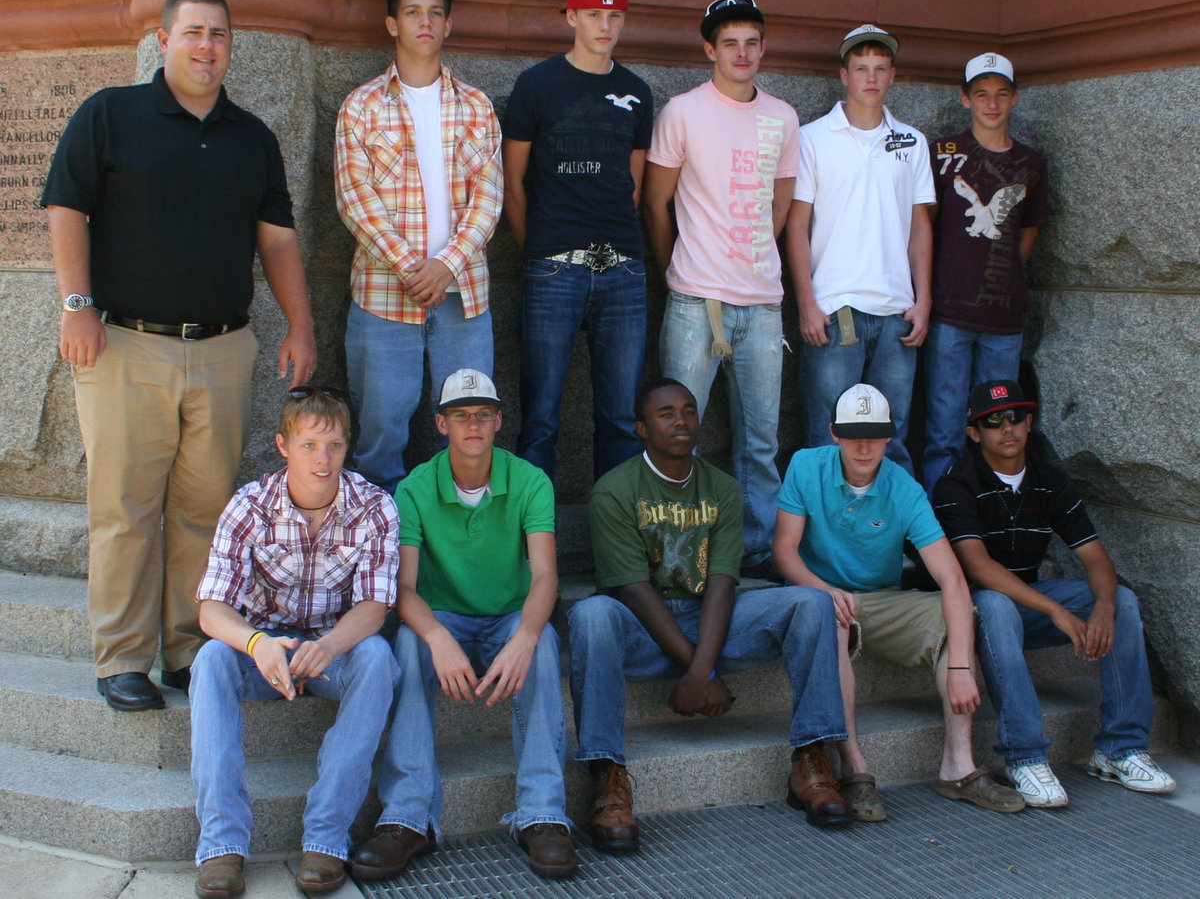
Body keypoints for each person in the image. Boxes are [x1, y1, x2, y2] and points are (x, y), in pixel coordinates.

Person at [41, 0, 318, 712]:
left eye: (219, 35)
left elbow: (279, 239)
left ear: (232, 45)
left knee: (205, 510)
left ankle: (189, 648)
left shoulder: (252, 137)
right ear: (162, 41)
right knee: (125, 508)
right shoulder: (111, 114)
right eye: (193, 32)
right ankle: (123, 656)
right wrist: (77, 304)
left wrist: (302, 325)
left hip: (223, 350)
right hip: (125, 344)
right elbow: (65, 207)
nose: (206, 46)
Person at [569, 378, 850, 853]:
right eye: (665, 413)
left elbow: (722, 581)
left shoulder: (720, 487)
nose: (680, 420)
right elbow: (633, 591)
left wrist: (703, 670)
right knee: (591, 615)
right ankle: (608, 780)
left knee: (812, 602)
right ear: (640, 428)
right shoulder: (613, 490)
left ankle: (811, 760)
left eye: (689, 410)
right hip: (643, 632)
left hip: (710, 623)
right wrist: (701, 673)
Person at [353, 369, 576, 881]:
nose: (472, 424)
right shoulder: (414, 488)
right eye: (460, 415)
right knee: (407, 645)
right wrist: (436, 636)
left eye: (482, 415)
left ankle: (542, 813)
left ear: (499, 421)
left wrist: (523, 637)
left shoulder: (529, 480)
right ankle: (408, 817)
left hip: (508, 615)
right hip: (444, 615)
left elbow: (546, 576)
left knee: (542, 643)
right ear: (441, 424)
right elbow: (402, 589)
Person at [772, 383, 1025, 820]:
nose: (865, 445)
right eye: (853, 434)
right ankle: (854, 770)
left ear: (891, 435)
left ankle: (958, 766)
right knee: (823, 614)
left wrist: (963, 665)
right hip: (819, 594)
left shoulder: (904, 488)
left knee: (957, 619)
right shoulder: (805, 465)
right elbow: (784, 550)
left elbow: (952, 579)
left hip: (882, 599)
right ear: (833, 432)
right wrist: (823, 589)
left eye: (875, 433)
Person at [190, 388, 399, 897]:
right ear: (283, 445)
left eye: (333, 445)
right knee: (213, 657)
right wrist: (257, 642)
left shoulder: (375, 509)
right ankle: (222, 846)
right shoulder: (250, 504)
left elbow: (374, 607)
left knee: (377, 657)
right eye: (308, 445)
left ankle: (326, 839)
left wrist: (328, 646)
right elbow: (212, 609)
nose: (321, 459)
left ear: (348, 446)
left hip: (334, 651)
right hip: (265, 652)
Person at [933, 379, 1175, 806]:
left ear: (1029, 424)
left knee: (1123, 601)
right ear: (974, 432)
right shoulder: (956, 483)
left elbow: (1097, 559)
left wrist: (1102, 608)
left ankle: (1120, 748)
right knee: (992, 603)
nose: (1007, 428)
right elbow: (978, 567)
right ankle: (1024, 756)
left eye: (1016, 417)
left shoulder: (1049, 478)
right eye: (993, 421)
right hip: (977, 612)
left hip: (1027, 603)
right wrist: (1057, 612)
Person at [643, 0, 799, 574]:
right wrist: (678, 267)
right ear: (709, 49)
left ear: (763, 49)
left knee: (760, 442)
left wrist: (751, 259)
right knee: (675, 438)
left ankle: (756, 552)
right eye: (729, 42)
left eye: (751, 42)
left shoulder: (783, 118)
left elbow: (780, 206)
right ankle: (673, 555)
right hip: (695, 300)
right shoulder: (683, 112)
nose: (741, 53)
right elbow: (656, 203)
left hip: (761, 305)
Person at [336, 0, 502, 493]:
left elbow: (489, 196)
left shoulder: (475, 106)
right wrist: (413, 268)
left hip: (463, 300)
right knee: (381, 436)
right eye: (412, 12)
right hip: (386, 296)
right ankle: (380, 560)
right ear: (392, 24)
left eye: (435, 12)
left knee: (470, 429)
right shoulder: (362, 105)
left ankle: (459, 555)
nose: (424, 22)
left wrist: (445, 265)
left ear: (448, 25)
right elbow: (354, 199)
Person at [502, 0, 654, 482]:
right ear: (571, 16)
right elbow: (513, 181)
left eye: (614, 15)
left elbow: (631, 187)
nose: (604, 25)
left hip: (624, 272)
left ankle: (616, 554)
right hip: (553, 269)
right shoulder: (537, 85)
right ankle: (532, 550)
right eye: (594, 13)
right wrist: (539, 252)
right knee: (541, 418)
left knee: (619, 419)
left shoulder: (635, 91)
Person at [787, 25, 935, 474]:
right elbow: (795, 225)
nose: (870, 78)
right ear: (844, 75)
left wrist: (923, 299)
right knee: (826, 438)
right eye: (860, 68)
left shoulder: (911, 141)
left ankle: (887, 541)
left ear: (893, 76)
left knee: (893, 439)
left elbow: (920, 226)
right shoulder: (812, 138)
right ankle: (819, 543)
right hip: (836, 313)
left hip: (896, 314)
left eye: (880, 68)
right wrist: (807, 303)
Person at [922, 54, 1049, 494]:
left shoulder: (1030, 163)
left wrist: (1001, 272)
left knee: (998, 428)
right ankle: (941, 529)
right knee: (944, 427)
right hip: (947, 313)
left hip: (1002, 319)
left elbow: (1027, 233)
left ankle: (990, 518)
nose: (991, 104)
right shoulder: (942, 153)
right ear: (964, 98)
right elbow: (926, 224)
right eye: (981, 94)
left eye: (1000, 94)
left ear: (1014, 98)